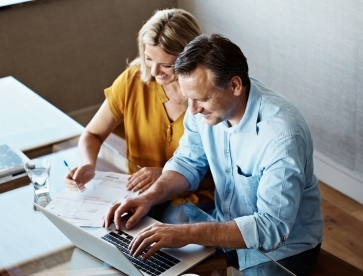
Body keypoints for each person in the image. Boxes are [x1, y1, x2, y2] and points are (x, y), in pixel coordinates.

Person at [103, 34, 324, 276]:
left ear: (235, 85)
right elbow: (188, 161)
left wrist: (185, 234)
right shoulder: (201, 107)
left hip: (282, 248)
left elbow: (271, 228)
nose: (194, 110)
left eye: (203, 99)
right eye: (190, 100)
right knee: (135, 254)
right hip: (223, 220)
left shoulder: (282, 137)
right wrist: (148, 197)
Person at [64, 9, 214, 224]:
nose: (154, 72)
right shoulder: (132, 81)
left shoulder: (207, 93)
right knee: (114, 230)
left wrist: (165, 174)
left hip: (191, 195)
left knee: (169, 236)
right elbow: (93, 133)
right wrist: (88, 164)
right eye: (148, 59)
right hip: (138, 191)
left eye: (166, 65)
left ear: (191, 57)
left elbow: (222, 166)